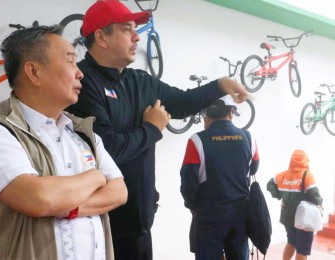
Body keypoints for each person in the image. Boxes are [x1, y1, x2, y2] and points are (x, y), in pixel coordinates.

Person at [66, 1, 250, 259]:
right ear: (101, 37)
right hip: (102, 225)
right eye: (126, 29)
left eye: (135, 29)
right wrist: (152, 129)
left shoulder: (138, 80)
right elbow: (107, 150)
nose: (135, 36)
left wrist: (220, 85)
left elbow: (183, 103)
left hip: (140, 221)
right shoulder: (82, 83)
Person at [0, 25, 128, 260]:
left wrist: (68, 207)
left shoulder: (82, 132)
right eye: (70, 62)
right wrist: (96, 177)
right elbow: (38, 198)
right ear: (34, 72)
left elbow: (118, 192)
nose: (80, 74)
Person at [179, 96, 260, 259]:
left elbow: (188, 181)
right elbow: (254, 168)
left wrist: (192, 206)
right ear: (231, 113)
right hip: (240, 213)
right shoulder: (248, 137)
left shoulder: (197, 140)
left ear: (206, 116)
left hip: (209, 215)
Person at [267, 150, 323, 260]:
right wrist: (320, 202)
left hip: (287, 217)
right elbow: (314, 195)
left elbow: (270, 184)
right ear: (306, 161)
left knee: (291, 242)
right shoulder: (307, 175)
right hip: (303, 219)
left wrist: (279, 196)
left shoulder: (282, 175)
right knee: (302, 249)